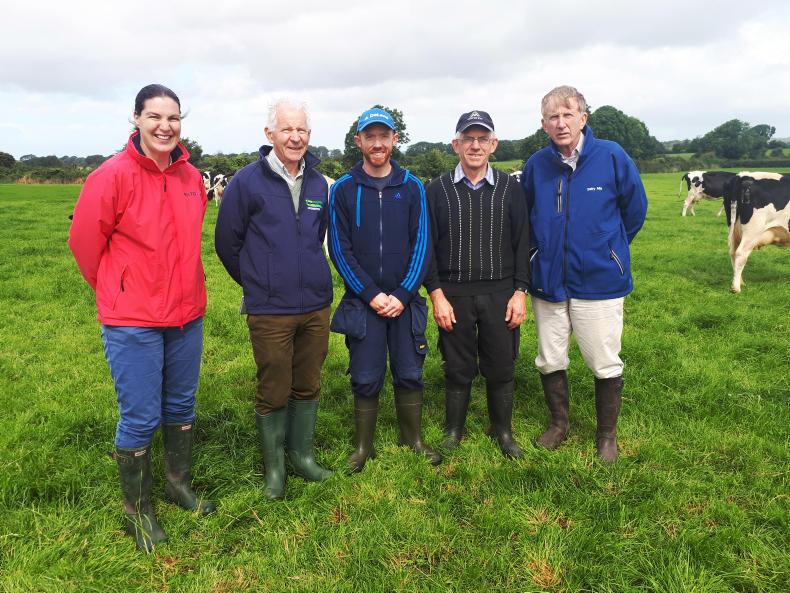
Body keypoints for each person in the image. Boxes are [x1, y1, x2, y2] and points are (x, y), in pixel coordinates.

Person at [68, 84, 215, 552]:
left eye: (173, 118)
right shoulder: (111, 176)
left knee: (181, 405)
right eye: (155, 117)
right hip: (133, 319)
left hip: (186, 314)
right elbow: (85, 245)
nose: (165, 126)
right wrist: (121, 288)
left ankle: (178, 483)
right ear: (136, 119)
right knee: (140, 416)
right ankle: (138, 510)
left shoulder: (192, 177)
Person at [521, 86, 648, 463]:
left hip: (599, 281)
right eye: (552, 117)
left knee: (604, 359)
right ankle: (559, 424)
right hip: (548, 279)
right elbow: (525, 217)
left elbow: (635, 210)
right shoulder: (536, 165)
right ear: (544, 124)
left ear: (583, 118)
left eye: (567, 114)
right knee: (550, 357)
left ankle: (606, 435)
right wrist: (536, 255)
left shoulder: (611, 156)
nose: (560, 123)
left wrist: (609, 249)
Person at [215, 99, 333, 500]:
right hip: (270, 309)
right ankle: (275, 471)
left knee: (309, 381)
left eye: (301, 130)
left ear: (309, 136)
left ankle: (302, 456)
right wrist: (258, 283)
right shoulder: (246, 182)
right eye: (287, 130)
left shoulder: (319, 183)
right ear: (270, 135)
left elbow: (317, 237)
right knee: (273, 384)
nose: (295, 137)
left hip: (315, 305)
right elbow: (226, 243)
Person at [328, 107, 440, 472]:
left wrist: (404, 293)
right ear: (358, 141)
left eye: (384, 136)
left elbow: (422, 243)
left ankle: (414, 439)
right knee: (365, 374)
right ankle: (363, 447)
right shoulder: (343, 189)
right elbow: (339, 250)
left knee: (410, 370)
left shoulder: (412, 186)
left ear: (394, 140)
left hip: (404, 302)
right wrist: (371, 294)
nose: (377, 143)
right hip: (365, 303)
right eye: (370, 136)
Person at [424, 110, 530, 459]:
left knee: (501, 364)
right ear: (455, 144)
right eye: (468, 138)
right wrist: (436, 294)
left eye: (482, 138)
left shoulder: (511, 189)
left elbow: (522, 242)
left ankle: (502, 430)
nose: (475, 145)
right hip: (454, 293)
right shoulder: (436, 190)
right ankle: (454, 430)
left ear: (493, 144)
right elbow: (427, 247)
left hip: (501, 292)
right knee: (457, 366)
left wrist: (519, 292)